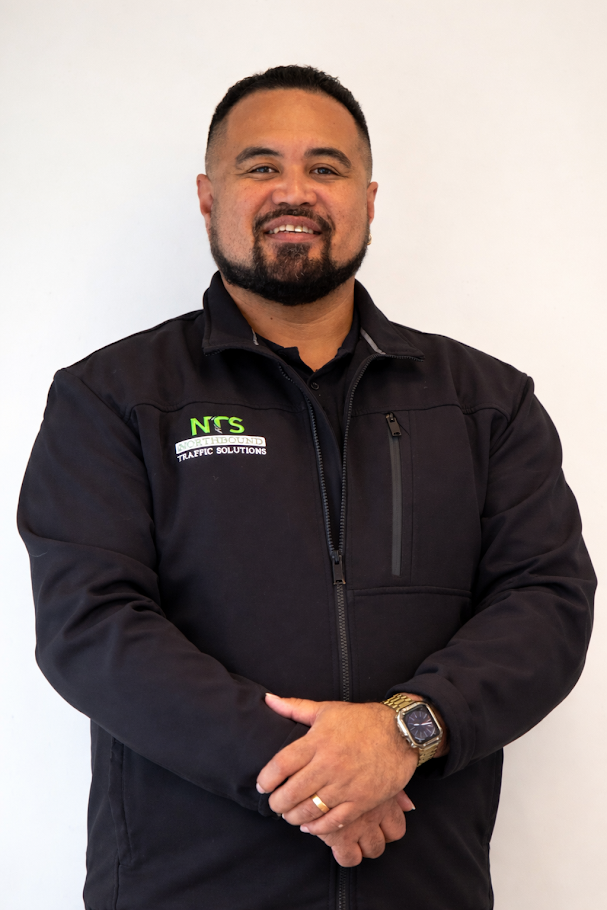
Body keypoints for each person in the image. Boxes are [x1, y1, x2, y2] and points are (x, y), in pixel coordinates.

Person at [18, 65, 595, 910]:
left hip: (421, 886)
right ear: (208, 197)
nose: (294, 190)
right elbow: (91, 624)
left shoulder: (485, 403)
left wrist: (403, 731)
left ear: (368, 199)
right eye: (260, 166)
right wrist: (318, 775)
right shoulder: (113, 397)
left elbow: (545, 603)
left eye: (325, 167)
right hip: (183, 889)